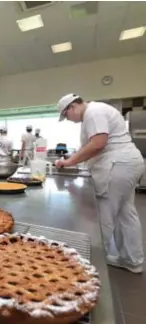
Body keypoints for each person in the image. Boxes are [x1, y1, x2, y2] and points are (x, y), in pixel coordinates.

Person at [56, 93, 144, 274]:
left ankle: (88, 266)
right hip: (126, 164)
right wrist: (75, 159)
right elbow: (92, 146)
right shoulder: (97, 111)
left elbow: (98, 143)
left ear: (72, 107)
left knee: (104, 215)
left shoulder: (93, 112)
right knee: (125, 214)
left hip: (116, 167)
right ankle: (132, 260)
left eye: (66, 116)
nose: (69, 120)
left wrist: (69, 162)